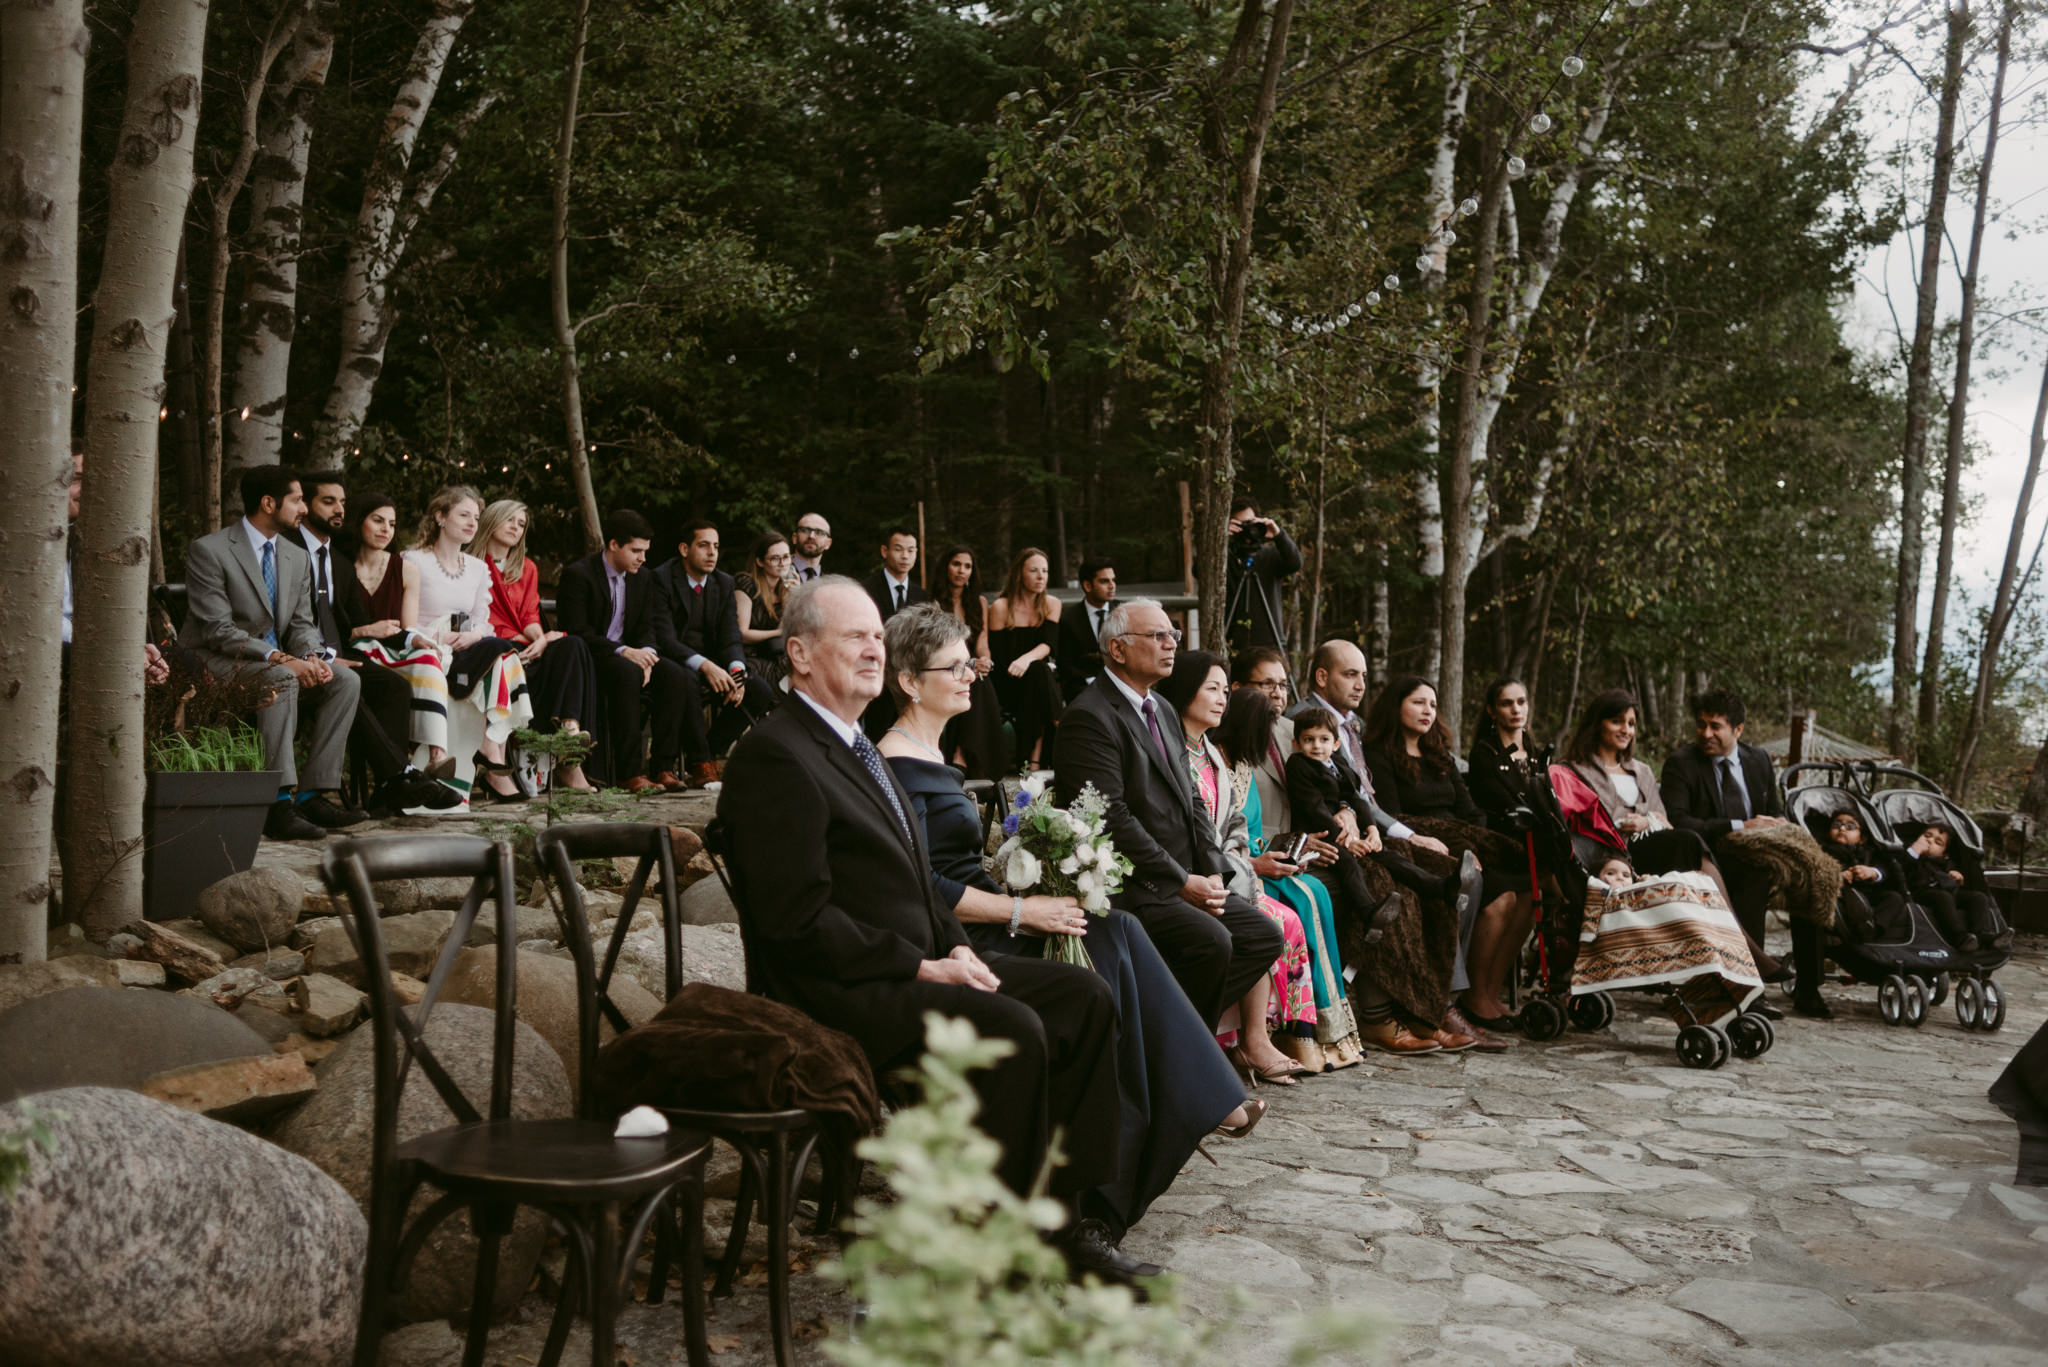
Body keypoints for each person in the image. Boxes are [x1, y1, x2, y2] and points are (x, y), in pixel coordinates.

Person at [718, 578, 1154, 1290]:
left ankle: (1060, 1223)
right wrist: (926, 969)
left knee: (1083, 996)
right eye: (853, 635)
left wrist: (954, 944)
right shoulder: (777, 754)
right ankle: (1000, 1254)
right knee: (1014, 1025)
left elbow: (920, 884)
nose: (873, 646)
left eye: (875, 634)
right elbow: (795, 922)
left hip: (912, 967)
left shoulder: (860, 745)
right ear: (797, 652)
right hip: (837, 989)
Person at [877, 605, 1257, 1243]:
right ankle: (1172, 1112)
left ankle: (1184, 1104)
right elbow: (924, 888)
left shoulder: (931, 753)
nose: (975, 673)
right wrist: (1024, 909)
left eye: (971, 659)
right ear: (911, 681)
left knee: (1118, 930)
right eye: (958, 665)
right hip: (961, 937)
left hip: (992, 910)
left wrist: (1034, 874)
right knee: (1108, 949)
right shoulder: (896, 766)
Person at [1051, 598, 1284, 1033]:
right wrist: (1180, 881)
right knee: (1212, 941)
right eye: (1156, 636)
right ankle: (1177, 1052)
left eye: (1173, 634)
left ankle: (1169, 1037)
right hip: (1132, 883)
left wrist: (1213, 874)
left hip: (1183, 878)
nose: (1171, 644)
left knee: (1262, 935)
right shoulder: (1089, 716)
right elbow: (1112, 819)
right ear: (1117, 649)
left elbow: (1193, 799)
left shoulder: (1160, 709)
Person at [178, 467, 366, 841]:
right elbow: (219, 631)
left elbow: (299, 624)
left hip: (267, 661)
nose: (302, 508)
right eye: (297, 500)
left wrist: (314, 658)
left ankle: (314, 794)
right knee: (281, 677)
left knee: (345, 679)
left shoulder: (295, 557)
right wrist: (283, 660)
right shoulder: (209, 550)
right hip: (214, 661)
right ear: (268, 503)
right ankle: (277, 803)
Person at [1155, 652, 1318, 1082]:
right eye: (1212, 688)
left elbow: (1233, 826)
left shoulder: (1210, 754)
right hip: (1185, 879)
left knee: (1272, 919)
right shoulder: (1168, 750)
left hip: (1225, 874)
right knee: (1267, 921)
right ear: (1185, 689)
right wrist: (1234, 875)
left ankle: (1257, 1039)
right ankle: (1229, 1039)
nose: (1222, 699)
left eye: (1226, 691)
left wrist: (1238, 871)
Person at [1208, 682, 1369, 1072]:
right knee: (1296, 912)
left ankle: (1329, 1033)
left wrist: (1288, 849)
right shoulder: (1212, 765)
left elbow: (1255, 830)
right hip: (1234, 872)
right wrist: (1258, 863)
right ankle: (1292, 1032)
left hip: (1259, 857)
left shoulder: (1242, 765)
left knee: (1315, 892)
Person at [1361, 675, 1530, 1040]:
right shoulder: (1378, 753)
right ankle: (1452, 998)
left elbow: (1471, 812)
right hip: (1420, 848)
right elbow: (1393, 816)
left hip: (1462, 845)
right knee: (1480, 887)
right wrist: (1455, 850)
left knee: (1526, 892)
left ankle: (1482, 992)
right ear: (1396, 705)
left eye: (1433, 705)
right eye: (1418, 702)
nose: (1428, 711)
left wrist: (1472, 843)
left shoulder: (1440, 754)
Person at [1660, 688, 1832, 1020]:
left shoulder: (1758, 760)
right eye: (1701, 725)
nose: (1705, 734)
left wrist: (1775, 823)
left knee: (1809, 876)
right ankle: (1749, 986)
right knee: (1753, 876)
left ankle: (1808, 989)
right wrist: (1741, 825)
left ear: (1738, 730)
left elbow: (1770, 810)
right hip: (1711, 857)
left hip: (1762, 851)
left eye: (1715, 726)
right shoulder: (1682, 763)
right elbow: (1679, 820)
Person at [293, 473, 458, 815]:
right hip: (301, 655)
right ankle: (400, 776)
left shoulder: (336, 562)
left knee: (392, 686)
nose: (339, 508)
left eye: (342, 502)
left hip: (341, 654)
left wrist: (413, 637)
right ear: (305, 505)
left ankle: (387, 788)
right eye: (329, 501)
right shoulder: (289, 550)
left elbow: (354, 622)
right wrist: (326, 652)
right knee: (351, 684)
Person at [402, 488, 536, 803]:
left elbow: (479, 620)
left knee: (498, 650)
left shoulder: (476, 568)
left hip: (466, 646)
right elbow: (405, 622)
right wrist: (438, 637)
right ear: (440, 516)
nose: (472, 523)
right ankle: (492, 743)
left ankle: (490, 743)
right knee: (504, 653)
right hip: (427, 648)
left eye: (476, 517)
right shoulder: (413, 559)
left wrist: (472, 635)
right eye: (464, 515)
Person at [555, 509, 692, 793]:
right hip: (592, 659)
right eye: (636, 550)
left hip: (631, 657)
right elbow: (577, 631)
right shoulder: (578, 575)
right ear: (614, 544)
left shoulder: (643, 578)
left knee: (675, 674)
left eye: (645, 551)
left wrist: (648, 656)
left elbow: (647, 627)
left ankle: (663, 767)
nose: (643, 558)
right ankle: (630, 772)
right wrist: (624, 651)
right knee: (626, 672)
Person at [469, 498, 596, 791]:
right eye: (510, 519)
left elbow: (528, 613)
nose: (516, 527)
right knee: (520, 648)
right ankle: (561, 757)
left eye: (522, 523)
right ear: (491, 520)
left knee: (573, 645)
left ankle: (569, 735)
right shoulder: (471, 564)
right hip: (492, 647)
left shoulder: (526, 567)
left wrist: (541, 641)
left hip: (524, 646)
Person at [651, 520, 777, 786]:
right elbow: (664, 637)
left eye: (716, 547)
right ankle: (698, 763)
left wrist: (736, 670)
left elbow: (731, 635)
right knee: (685, 678)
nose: (712, 553)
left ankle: (708, 750)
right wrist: (706, 666)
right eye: (704, 545)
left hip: (715, 664)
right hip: (673, 660)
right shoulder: (662, 578)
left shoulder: (723, 582)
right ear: (685, 549)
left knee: (758, 689)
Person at [929, 544, 1005, 778]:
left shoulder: (979, 601)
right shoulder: (932, 601)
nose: (962, 571)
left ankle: (962, 755)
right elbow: (934, 645)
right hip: (942, 666)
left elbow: (982, 640)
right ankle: (960, 756)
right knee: (971, 680)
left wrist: (985, 660)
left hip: (970, 668)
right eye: (956, 564)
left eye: (967, 566)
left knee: (980, 681)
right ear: (946, 568)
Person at [986, 547, 1065, 771]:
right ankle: (1058, 727)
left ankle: (1034, 759)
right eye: (1034, 570)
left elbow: (1049, 645)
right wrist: (1022, 664)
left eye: (1045, 571)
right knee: (1040, 674)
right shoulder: (1001, 607)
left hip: (1037, 679)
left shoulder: (1052, 604)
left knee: (1039, 671)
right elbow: (1000, 658)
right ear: (1020, 574)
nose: (1041, 576)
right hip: (1009, 681)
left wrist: (1027, 660)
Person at [1902, 823, 2008, 950]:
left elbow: (1954, 878)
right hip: (1921, 892)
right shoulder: (1909, 855)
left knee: (1979, 898)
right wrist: (1914, 851)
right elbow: (1902, 868)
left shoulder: (1945, 862)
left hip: (1948, 891)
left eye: (1938, 842)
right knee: (1943, 897)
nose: (1929, 840)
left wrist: (1957, 877)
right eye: (1927, 836)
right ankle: (1959, 937)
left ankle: (1982, 935)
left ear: (1944, 853)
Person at [1817, 811, 1913, 942]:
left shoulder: (1871, 852)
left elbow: (1885, 869)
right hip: (1842, 893)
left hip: (1870, 892)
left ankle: (1872, 929)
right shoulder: (1824, 851)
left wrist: (1873, 872)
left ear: (1862, 838)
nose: (1842, 828)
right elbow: (1818, 871)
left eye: (1850, 826)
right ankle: (1859, 915)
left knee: (1894, 898)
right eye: (1836, 825)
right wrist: (1839, 875)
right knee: (1847, 895)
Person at [1224, 496, 1300, 652]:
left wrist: (1279, 535)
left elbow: (1295, 563)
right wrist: (1221, 536)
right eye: (1240, 525)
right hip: (1233, 644)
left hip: (1269, 643)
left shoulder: (1270, 556)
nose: (1246, 531)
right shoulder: (1225, 559)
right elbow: (1198, 570)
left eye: (1250, 524)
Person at [1466, 677, 1539, 832]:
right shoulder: (1484, 755)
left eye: (1521, 702)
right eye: (1506, 703)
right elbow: (1499, 804)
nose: (1516, 710)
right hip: (1503, 837)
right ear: (1491, 711)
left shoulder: (1539, 755)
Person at [731, 530, 795, 685]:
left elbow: (787, 630)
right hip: (749, 656)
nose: (782, 563)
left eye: (786, 557)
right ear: (760, 562)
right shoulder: (747, 584)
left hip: (775, 654)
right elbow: (742, 634)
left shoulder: (786, 587)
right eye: (775, 558)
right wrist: (778, 632)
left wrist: (793, 597)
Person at [1057, 557, 1118, 700]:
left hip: (1123, 684)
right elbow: (1064, 663)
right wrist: (1092, 683)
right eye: (1104, 581)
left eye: (1113, 580)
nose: (1112, 586)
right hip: (1082, 690)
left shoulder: (1125, 612)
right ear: (1087, 586)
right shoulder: (1067, 618)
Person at [861, 526, 930, 620]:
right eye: (898, 549)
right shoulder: (866, 590)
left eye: (910, 550)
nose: (905, 556)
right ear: (884, 551)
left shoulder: (922, 596)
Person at [789, 512, 832, 581]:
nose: (811, 536)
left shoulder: (830, 586)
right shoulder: (778, 572)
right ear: (794, 538)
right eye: (805, 530)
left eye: (819, 532)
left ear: (828, 543)